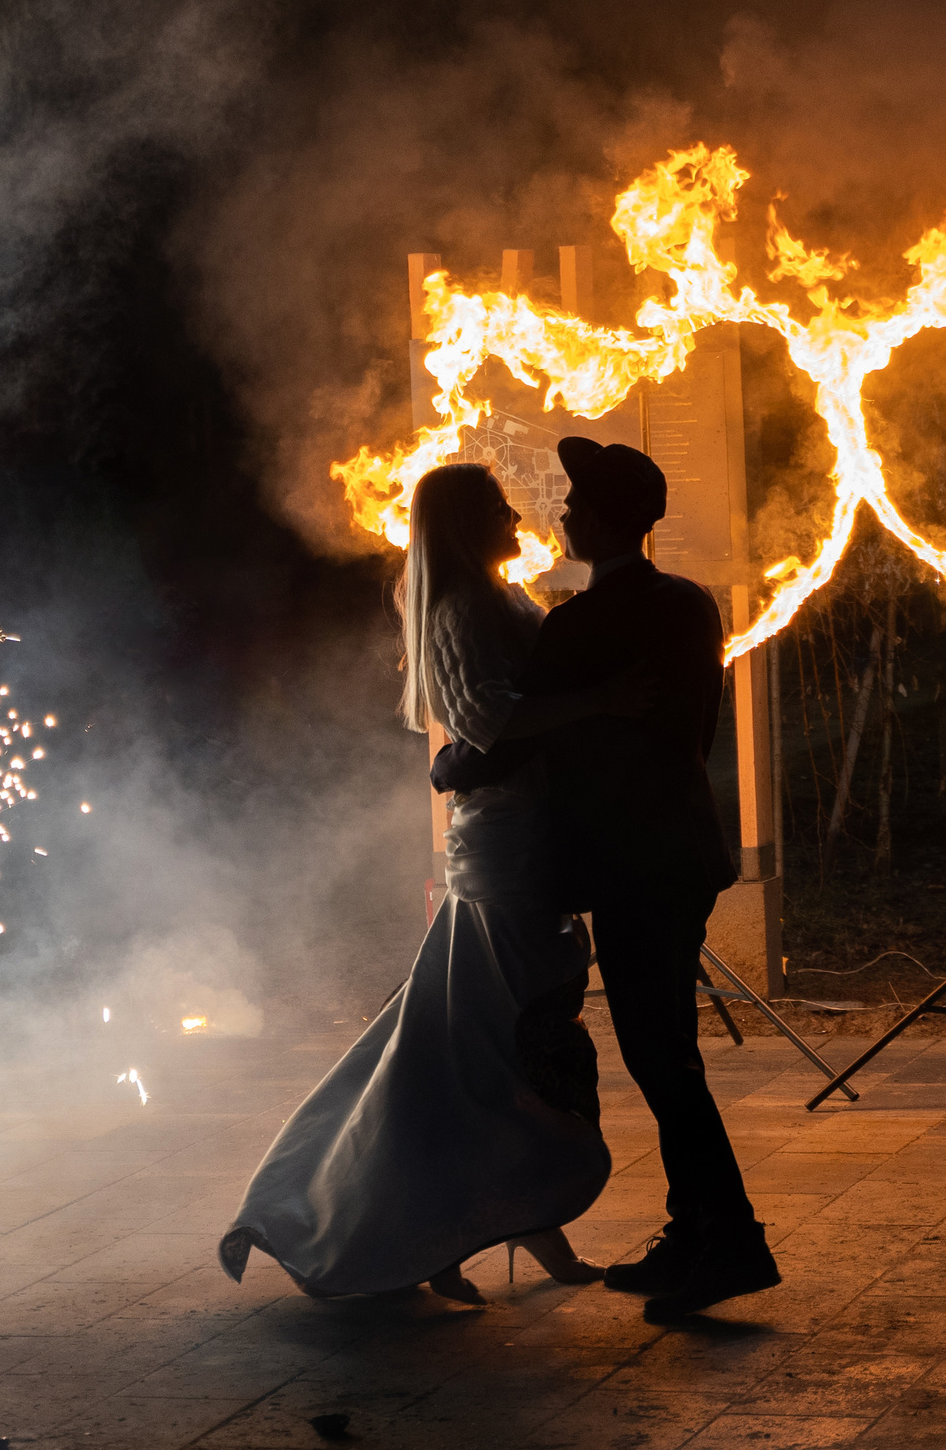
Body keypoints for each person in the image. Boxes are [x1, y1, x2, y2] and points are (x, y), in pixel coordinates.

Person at [217, 462, 639, 1301]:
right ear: (460, 525)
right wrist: (603, 701)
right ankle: (446, 1226)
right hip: (506, 854)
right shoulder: (460, 609)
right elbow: (491, 723)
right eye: (494, 507)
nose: (514, 516)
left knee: (478, 1050)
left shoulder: (494, 597)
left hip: (528, 846)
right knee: (497, 1051)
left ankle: (459, 1226)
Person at [520, 435, 780, 1319]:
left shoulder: (580, 625)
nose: (560, 513)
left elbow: (532, 735)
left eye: (572, 502)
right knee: (665, 1048)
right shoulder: (690, 605)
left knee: (660, 1057)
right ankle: (692, 1231)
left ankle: (730, 1239)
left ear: (597, 519)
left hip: (635, 867)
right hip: (682, 855)